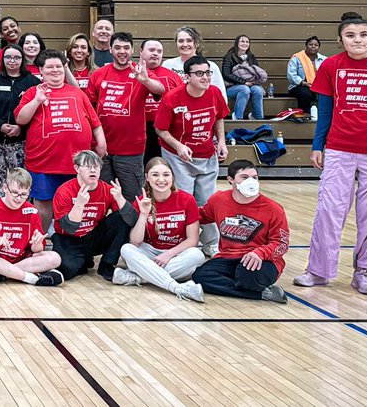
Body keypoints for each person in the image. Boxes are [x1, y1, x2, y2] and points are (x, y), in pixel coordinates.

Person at [294, 14, 367, 296]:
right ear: (340, 40)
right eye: (350, 35)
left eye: (362, 35)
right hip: (338, 149)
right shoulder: (331, 66)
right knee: (328, 211)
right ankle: (319, 270)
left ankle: (363, 272)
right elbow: (325, 111)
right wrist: (317, 146)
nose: (357, 40)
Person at [15, 50, 105, 230]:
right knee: (43, 205)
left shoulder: (77, 93)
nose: (55, 70)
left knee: (75, 203)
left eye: (58, 66)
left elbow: (95, 122)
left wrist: (101, 143)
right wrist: (37, 101)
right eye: (49, 67)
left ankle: (70, 243)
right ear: (40, 70)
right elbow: (20, 119)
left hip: (75, 163)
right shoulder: (33, 91)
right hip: (43, 162)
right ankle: (38, 243)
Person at [154, 55, 229, 254]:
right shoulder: (172, 98)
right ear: (187, 77)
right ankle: (185, 244)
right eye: (199, 73)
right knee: (184, 201)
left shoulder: (214, 93)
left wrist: (221, 141)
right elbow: (161, 129)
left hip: (206, 156)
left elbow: (219, 117)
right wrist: (178, 146)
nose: (205, 77)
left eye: (207, 72)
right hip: (178, 158)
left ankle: (211, 244)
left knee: (207, 202)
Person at [191, 160, 289, 303]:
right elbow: (201, 216)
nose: (251, 181)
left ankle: (240, 284)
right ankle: (262, 294)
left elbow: (282, 244)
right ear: (230, 180)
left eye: (254, 177)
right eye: (244, 177)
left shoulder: (273, 209)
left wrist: (260, 253)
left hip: (262, 260)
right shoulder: (218, 200)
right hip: (227, 257)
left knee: (246, 275)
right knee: (200, 276)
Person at [84, 32, 165, 200]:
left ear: (133, 50)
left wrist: (145, 80)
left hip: (131, 149)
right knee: (103, 196)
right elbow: (90, 108)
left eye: (126, 48)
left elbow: (161, 90)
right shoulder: (98, 74)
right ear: (110, 50)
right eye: (118, 47)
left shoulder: (141, 72)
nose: (122, 51)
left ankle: (133, 227)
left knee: (132, 197)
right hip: (103, 148)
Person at [113, 157, 206, 302]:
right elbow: (135, 241)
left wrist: (168, 254)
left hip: (176, 253)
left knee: (197, 255)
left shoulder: (186, 199)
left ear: (173, 177)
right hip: (150, 252)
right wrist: (143, 214)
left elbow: (193, 240)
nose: (161, 179)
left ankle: (139, 277)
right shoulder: (141, 200)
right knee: (126, 249)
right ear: (147, 178)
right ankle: (178, 288)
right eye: (155, 175)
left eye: (166, 174)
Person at [51, 150, 136, 281]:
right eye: (88, 166)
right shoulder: (64, 191)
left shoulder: (107, 189)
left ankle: (107, 264)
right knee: (66, 271)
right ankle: (83, 260)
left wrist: (120, 199)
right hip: (68, 239)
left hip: (92, 236)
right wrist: (79, 204)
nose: (93, 170)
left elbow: (132, 220)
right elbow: (69, 228)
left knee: (121, 218)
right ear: (77, 168)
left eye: (96, 167)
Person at [0, 168, 63, 286]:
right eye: (15, 193)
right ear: (5, 188)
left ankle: (2, 273)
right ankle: (29, 278)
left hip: (21, 259)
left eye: (24, 194)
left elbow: (36, 250)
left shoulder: (32, 211)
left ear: (29, 191)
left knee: (55, 258)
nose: (19, 198)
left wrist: (37, 242)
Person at [0, 44, 40, 200]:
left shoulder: (32, 82)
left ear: (23, 60)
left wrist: (21, 127)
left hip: (20, 141)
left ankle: (20, 218)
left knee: (20, 182)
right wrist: (0, 125)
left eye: (16, 57)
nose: (12, 61)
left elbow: (37, 113)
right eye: (8, 57)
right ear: (2, 60)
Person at [141, 39, 181, 162]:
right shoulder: (132, 73)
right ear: (141, 52)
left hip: (165, 129)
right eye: (151, 50)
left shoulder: (173, 76)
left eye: (159, 51)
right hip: (138, 129)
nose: (155, 53)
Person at [163, 26, 227, 100]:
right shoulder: (167, 65)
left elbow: (222, 97)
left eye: (189, 40)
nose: (185, 44)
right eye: (180, 41)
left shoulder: (211, 66)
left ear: (196, 43)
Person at [222, 35, 266, 120]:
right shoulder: (229, 56)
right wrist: (244, 82)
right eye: (242, 41)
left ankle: (257, 117)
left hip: (250, 84)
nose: (245, 44)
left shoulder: (251, 57)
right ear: (237, 43)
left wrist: (253, 82)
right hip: (231, 87)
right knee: (244, 89)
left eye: (247, 42)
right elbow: (226, 74)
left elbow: (257, 72)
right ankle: (238, 117)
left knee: (258, 90)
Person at [288, 36, 326, 113]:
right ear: (306, 46)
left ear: (318, 47)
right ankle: (304, 115)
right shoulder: (297, 58)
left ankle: (323, 115)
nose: (313, 47)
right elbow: (291, 75)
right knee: (305, 93)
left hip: (318, 86)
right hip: (299, 85)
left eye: (316, 45)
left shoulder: (324, 59)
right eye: (310, 44)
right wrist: (303, 83)